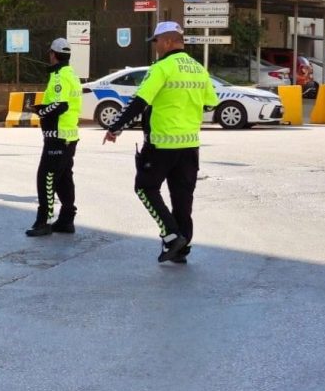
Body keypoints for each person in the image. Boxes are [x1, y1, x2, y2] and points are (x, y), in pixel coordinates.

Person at [103, 21, 218, 264]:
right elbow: (210, 103)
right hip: (190, 145)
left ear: (166, 41)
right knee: (182, 198)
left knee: (144, 188)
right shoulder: (198, 68)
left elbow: (139, 101)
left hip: (162, 143)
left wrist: (116, 127)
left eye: (156, 42)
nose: (155, 47)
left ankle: (170, 236)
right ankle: (182, 249)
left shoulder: (161, 68)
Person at [26, 38, 82, 237]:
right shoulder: (72, 75)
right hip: (69, 135)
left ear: (53, 55)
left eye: (50, 53)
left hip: (58, 136)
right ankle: (66, 220)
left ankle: (44, 221)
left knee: (46, 178)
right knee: (64, 179)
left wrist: (41, 111)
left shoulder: (59, 76)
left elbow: (61, 105)